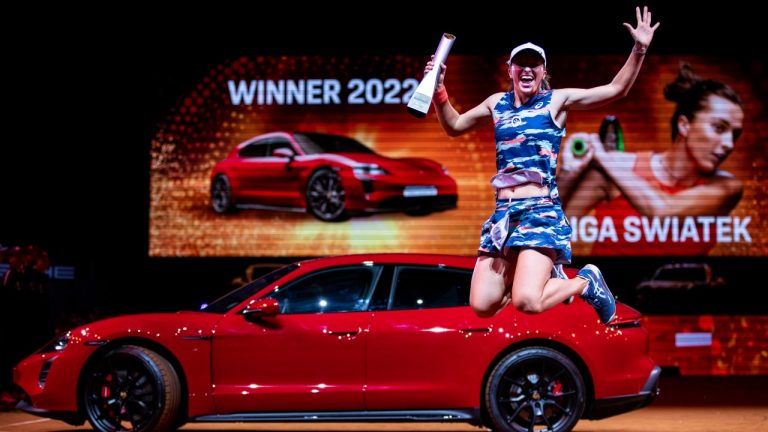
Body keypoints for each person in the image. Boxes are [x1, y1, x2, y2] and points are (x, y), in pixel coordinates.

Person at [424, 6, 659, 324]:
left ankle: (583, 282)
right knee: (481, 304)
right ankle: (539, 278)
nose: (527, 69)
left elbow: (615, 90)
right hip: (503, 217)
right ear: (509, 69)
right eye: (521, 63)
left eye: (535, 65)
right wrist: (439, 93)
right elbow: (454, 126)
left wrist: (639, 49)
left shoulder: (556, 100)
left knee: (527, 302)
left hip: (540, 212)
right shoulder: (497, 103)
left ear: (543, 71)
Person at [562, 63, 744, 255]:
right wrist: (568, 173)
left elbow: (663, 210)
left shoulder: (727, 188)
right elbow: (555, 227)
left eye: (735, 134)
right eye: (719, 128)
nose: (729, 144)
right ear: (684, 125)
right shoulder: (615, 170)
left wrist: (602, 156)